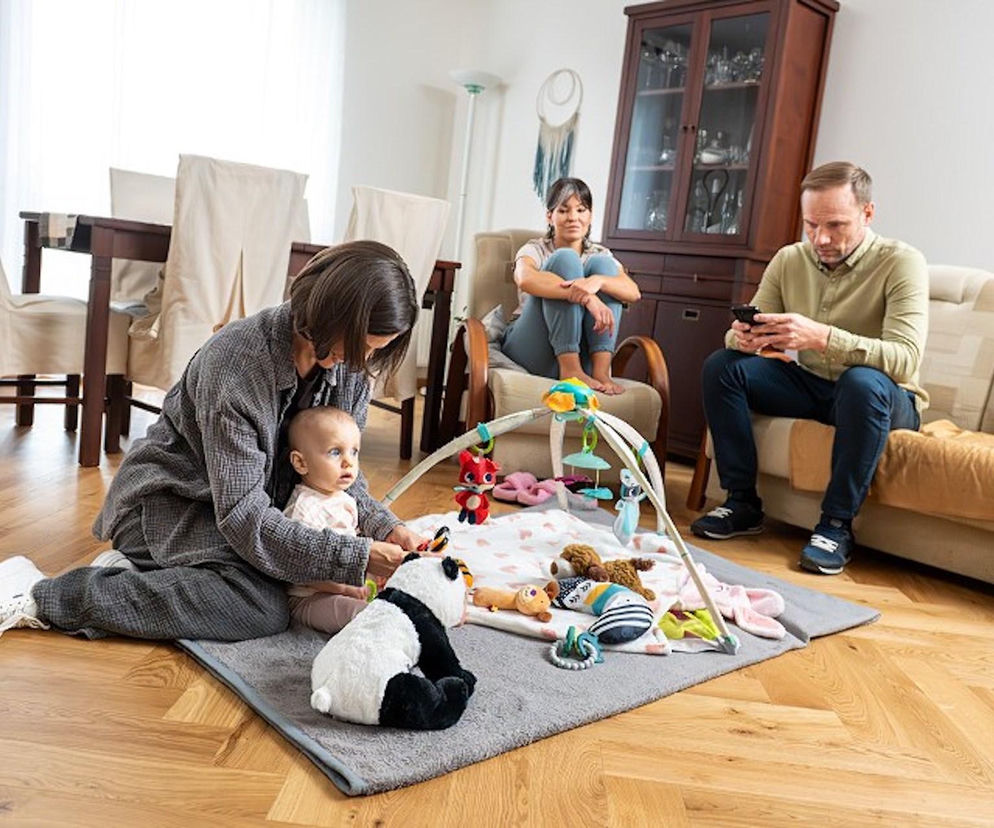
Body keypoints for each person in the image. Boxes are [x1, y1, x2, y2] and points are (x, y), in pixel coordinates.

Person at [0, 240, 430, 641]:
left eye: (374, 351)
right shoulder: (238, 364)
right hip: (170, 506)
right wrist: (356, 556)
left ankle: (141, 576)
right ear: (328, 313)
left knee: (298, 571)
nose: (360, 362)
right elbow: (245, 516)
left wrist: (387, 528)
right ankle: (51, 594)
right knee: (261, 604)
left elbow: (342, 477)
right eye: (357, 346)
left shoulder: (349, 370)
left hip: (239, 510)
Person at [690, 162, 928, 576]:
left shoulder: (902, 262)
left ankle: (835, 526)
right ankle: (742, 502)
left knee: (861, 383)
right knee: (723, 367)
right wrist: (745, 339)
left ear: (868, 214)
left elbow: (905, 358)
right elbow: (743, 331)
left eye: (836, 225)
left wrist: (823, 338)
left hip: (887, 399)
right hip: (816, 386)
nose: (821, 238)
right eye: (811, 224)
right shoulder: (790, 259)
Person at [501, 177, 641, 395]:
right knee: (565, 259)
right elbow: (525, 278)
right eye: (563, 211)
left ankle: (601, 372)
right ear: (550, 216)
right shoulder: (534, 249)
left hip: (583, 350)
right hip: (532, 346)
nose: (573, 218)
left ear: (590, 215)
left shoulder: (600, 254)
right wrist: (587, 297)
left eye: (581, 210)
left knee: (603, 266)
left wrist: (598, 282)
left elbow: (633, 292)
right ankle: (570, 370)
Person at [283, 405, 375, 635]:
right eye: (335, 452)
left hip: (345, 587)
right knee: (363, 616)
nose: (348, 463)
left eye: (354, 452)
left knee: (386, 601)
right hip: (310, 598)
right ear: (301, 463)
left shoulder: (344, 499)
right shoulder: (304, 509)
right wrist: (344, 588)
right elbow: (304, 571)